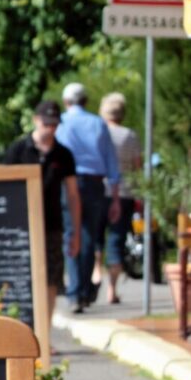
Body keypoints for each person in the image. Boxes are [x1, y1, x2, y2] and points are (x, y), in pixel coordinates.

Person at [0, 101, 82, 312]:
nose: (50, 128)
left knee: (51, 279)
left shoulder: (63, 154)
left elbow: (73, 195)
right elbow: (1, 189)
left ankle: (45, 335)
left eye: (54, 124)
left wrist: (76, 232)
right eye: (46, 123)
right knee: (21, 279)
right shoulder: (18, 150)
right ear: (36, 120)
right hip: (20, 227)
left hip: (52, 225)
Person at [57, 82, 121, 313]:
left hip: (68, 183)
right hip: (94, 185)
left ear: (66, 102)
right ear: (85, 101)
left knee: (71, 234)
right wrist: (114, 197)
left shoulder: (62, 123)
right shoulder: (97, 123)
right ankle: (82, 291)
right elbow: (111, 162)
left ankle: (75, 291)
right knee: (88, 237)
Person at [100, 92, 143, 305]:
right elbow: (138, 167)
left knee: (97, 237)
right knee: (116, 240)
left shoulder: (99, 133)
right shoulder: (129, 136)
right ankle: (111, 289)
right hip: (125, 193)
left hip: (99, 190)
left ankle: (95, 274)